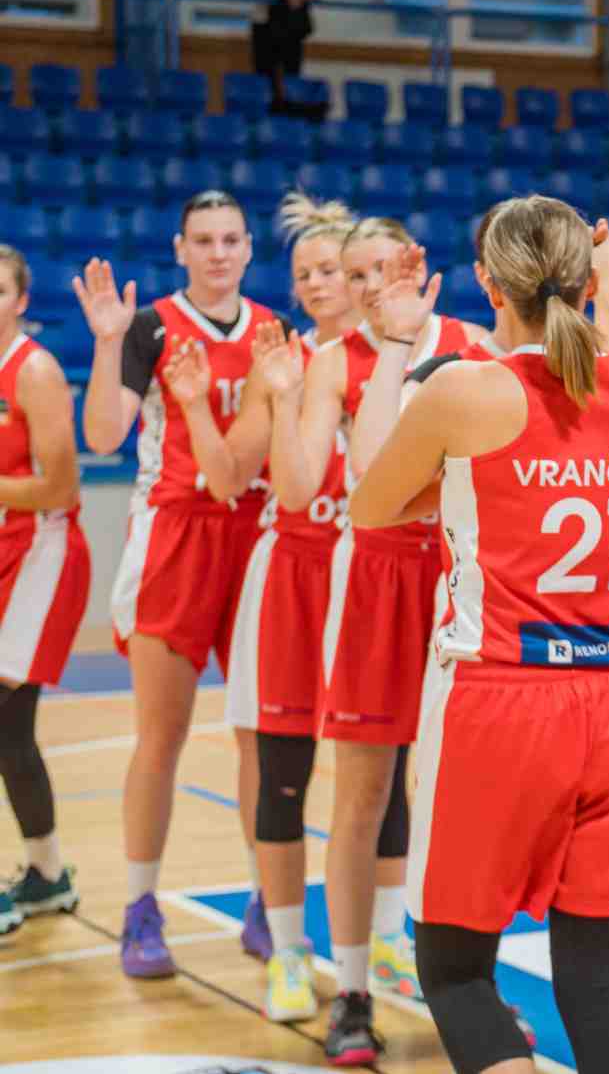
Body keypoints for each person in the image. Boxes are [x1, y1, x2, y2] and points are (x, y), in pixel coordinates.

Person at [350, 195, 609, 1074]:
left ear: (490, 285)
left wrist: (459, 482)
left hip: (501, 698)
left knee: (455, 973)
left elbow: (370, 506)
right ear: (585, 278)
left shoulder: (463, 389)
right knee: (596, 991)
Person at [74, 190, 283, 978]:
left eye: (231, 238)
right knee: (160, 735)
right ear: (180, 248)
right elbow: (102, 434)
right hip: (175, 534)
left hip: (256, 534)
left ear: (249, 248)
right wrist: (106, 344)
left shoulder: (272, 330)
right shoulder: (150, 327)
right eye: (205, 240)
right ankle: (139, 907)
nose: (219, 252)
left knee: (259, 736)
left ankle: (268, 900)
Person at [162, 191, 359, 1023]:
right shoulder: (282, 360)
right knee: (282, 774)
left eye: (330, 269)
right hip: (290, 578)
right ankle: (287, 951)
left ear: (361, 274)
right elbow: (227, 479)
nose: (315, 283)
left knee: (380, 781)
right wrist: (199, 405)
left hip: (370, 577)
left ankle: (381, 943)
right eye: (303, 272)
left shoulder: (401, 357)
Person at [295, 216, 480, 1063]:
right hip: (372, 575)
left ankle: (463, 984)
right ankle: (352, 989)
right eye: (355, 274)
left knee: (454, 793)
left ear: (417, 263)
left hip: (456, 573)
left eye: (382, 268)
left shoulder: (472, 345)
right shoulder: (336, 361)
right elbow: (349, 475)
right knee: (362, 793)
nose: (368, 287)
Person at [0, 245, 88, 934]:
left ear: (21, 300)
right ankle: (47, 872)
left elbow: (60, 488)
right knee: (11, 732)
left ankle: (44, 874)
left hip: (42, 554)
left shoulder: (34, 370)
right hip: (7, 550)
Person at [253, 0, 319, 117]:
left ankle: (291, 110)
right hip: (267, 27)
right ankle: (268, 110)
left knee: (292, 70)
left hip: (293, 29)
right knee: (266, 70)